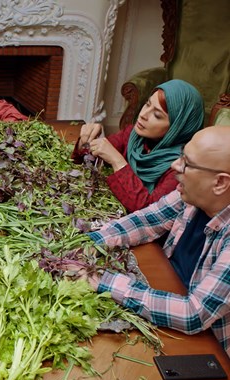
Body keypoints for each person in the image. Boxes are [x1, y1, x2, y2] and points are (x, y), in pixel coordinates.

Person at [73, 125, 230, 357]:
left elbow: (193, 314)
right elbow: (144, 221)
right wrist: (88, 242)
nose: (174, 166)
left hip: (205, 346)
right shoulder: (190, 194)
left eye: (186, 163)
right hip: (164, 295)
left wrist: (99, 280)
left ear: (219, 183)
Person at [71, 79, 204, 213]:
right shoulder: (134, 136)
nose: (143, 115)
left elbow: (150, 212)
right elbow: (86, 158)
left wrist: (117, 161)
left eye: (157, 115)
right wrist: (86, 141)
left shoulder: (181, 167)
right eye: (147, 104)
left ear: (177, 128)